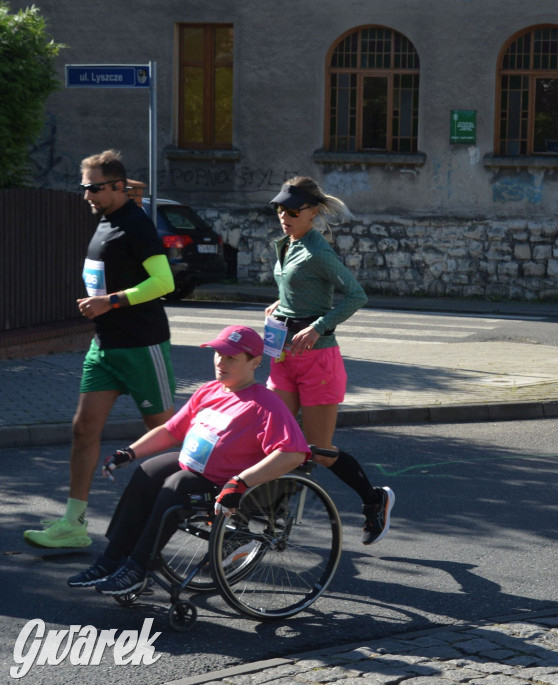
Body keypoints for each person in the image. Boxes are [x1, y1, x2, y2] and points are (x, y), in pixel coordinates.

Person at [66, 325, 310, 595]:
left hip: (225, 485)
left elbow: (292, 453)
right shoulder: (210, 391)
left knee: (178, 483)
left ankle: (138, 568)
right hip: (194, 469)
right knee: (147, 471)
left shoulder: (266, 404)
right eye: (218, 354)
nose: (221, 361)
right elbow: (172, 430)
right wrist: (129, 452)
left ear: (255, 362)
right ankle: (111, 559)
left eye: (231, 357)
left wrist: (240, 482)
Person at [25, 150, 177, 550]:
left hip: (142, 346)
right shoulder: (106, 221)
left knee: (168, 436)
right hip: (105, 347)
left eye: (93, 187)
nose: (86, 195)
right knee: (83, 428)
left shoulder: (136, 225)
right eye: (84, 187)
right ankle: (74, 524)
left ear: (117, 186)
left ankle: (218, 510)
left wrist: (110, 302)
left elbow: (164, 282)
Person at [264, 177, 394, 545]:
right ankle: (268, 519)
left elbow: (356, 295)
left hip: (317, 360)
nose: (283, 216)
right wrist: (282, 306)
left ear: (313, 212)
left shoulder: (319, 251)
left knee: (318, 451)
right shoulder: (287, 244)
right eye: (279, 209)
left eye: (292, 211)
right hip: (284, 354)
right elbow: (296, 287)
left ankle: (374, 500)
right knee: (281, 444)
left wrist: (319, 326)